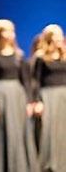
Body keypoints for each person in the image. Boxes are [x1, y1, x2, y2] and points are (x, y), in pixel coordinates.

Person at [0, 19, 38, 172]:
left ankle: (21, 165)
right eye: (5, 31)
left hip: (18, 96)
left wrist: (30, 101)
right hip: (1, 97)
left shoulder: (19, 56)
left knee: (20, 129)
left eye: (11, 31)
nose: (9, 34)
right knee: (3, 129)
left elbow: (26, 81)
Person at [32, 24, 66, 172]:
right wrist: (37, 101)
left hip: (64, 95)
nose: (59, 39)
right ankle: (50, 164)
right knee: (50, 131)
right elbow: (35, 81)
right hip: (48, 97)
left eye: (60, 35)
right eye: (56, 36)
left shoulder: (65, 56)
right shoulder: (40, 57)